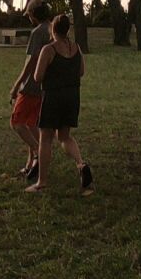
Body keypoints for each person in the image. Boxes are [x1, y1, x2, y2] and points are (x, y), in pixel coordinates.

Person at [26, 14, 92, 195]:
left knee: (45, 138)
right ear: (67, 30)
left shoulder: (49, 49)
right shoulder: (76, 48)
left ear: (53, 30)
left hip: (53, 97)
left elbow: (37, 77)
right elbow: (81, 72)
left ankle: (42, 182)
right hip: (72, 96)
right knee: (64, 137)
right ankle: (81, 163)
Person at [6, 0, 53, 181]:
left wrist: (17, 85)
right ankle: (30, 165)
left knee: (17, 123)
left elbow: (31, 61)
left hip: (32, 85)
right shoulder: (52, 29)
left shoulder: (38, 32)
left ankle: (39, 155)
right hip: (45, 85)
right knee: (32, 125)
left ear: (34, 14)